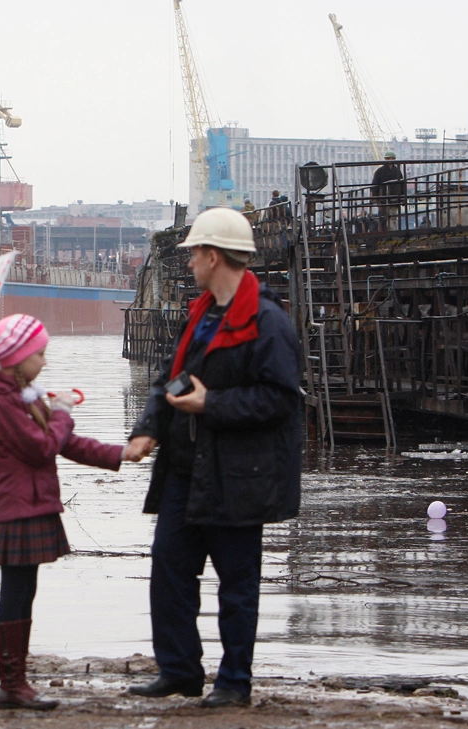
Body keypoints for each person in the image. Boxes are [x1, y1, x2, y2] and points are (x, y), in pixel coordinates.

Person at [124, 207, 301, 709]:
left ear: (215, 255)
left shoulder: (267, 323)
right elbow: (170, 378)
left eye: (196, 252)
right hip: (185, 466)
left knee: (237, 584)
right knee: (169, 570)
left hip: (239, 475)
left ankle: (233, 683)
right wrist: (147, 429)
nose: (191, 261)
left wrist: (211, 404)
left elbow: (280, 399)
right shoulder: (201, 314)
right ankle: (179, 670)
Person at [0, 314, 130, 711]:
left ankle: (15, 680)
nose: (44, 361)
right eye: (40, 354)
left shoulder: (22, 396)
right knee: (16, 592)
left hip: (30, 505)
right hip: (16, 509)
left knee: (25, 591)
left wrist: (120, 454)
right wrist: (61, 411)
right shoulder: (0, 404)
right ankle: (11, 682)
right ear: (18, 358)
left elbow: (64, 444)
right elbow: (41, 447)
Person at [371, 150, 405, 231]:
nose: (389, 160)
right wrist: (376, 200)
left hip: (394, 199)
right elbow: (375, 186)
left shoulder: (397, 171)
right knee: (383, 218)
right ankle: (384, 234)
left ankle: (392, 233)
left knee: (392, 217)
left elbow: (402, 185)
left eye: (391, 158)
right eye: (388, 158)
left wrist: (402, 197)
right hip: (383, 199)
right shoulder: (380, 171)